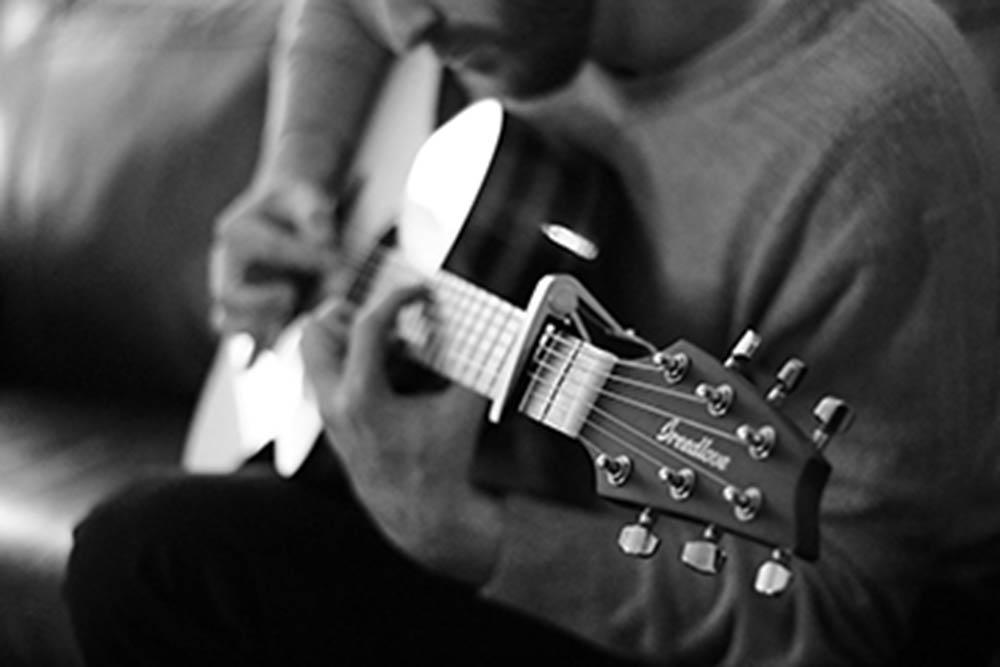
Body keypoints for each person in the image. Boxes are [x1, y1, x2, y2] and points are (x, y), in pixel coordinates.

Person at [64, 0, 1000, 664]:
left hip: (672, 583)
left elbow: (848, 608)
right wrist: (294, 175)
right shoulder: (462, 17)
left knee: (152, 557)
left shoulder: (875, 124)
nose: (406, 28)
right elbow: (344, 16)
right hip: (505, 464)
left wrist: (469, 534)